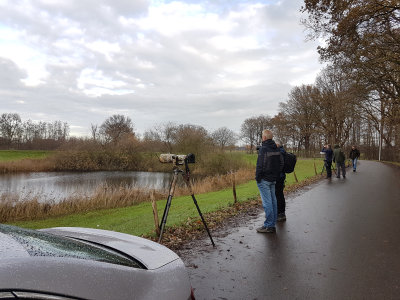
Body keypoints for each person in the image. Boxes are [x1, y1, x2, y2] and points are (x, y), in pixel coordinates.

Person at [255, 130, 284, 233]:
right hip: (273, 179)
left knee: (267, 202)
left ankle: (269, 225)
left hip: (265, 179)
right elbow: (281, 163)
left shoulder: (263, 149)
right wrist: (276, 174)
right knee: (273, 201)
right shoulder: (276, 148)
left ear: (264, 138)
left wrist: (258, 177)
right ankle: (272, 223)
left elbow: (260, 165)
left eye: (262, 136)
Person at [275, 141, 287, 222]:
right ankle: (280, 212)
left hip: (279, 176)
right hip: (282, 176)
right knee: (279, 194)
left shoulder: (279, 152)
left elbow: (280, 165)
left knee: (278, 195)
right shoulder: (282, 151)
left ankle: (281, 213)